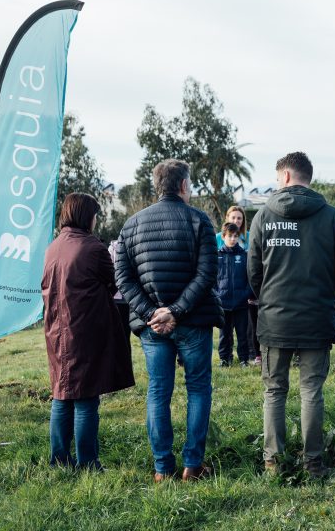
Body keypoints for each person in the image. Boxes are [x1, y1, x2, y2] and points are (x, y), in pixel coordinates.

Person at [115, 159, 222, 482]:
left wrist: (151, 313)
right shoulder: (200, 221)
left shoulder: (131, 225)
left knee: (159, 392)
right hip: (192, 320)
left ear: (157, 185)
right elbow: (207, 275)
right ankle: (193, 464)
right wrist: (175, 311)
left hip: (152, 327)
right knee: (198, 389)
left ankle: (162, 468)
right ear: (184, 185)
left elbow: (123, 277)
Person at [248, 152, 335, 479]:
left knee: (274, 391)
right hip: (316, 318)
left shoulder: (263, 216)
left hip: (274, 319)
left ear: (287, 177)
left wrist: (269, 299)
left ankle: (273, 464)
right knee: (311, 392)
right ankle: (313, 463)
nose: (278, 184)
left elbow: (253, 271)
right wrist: (323, 300)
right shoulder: (332, 217)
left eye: (278, 179)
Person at [43, 193, 135, 470]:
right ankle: (88, 462)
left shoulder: (53, 247)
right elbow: (115, 280)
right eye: (95, 214)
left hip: (56, 331)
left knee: (61, 395)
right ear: (87, 216)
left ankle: (59, 459)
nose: (97, 220)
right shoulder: (92, 248)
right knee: (85, 398)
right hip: (83, 331)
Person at [215, 222, 253, 367]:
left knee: (242, 334)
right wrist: (217, 295)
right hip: (223, 304)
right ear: (223, 236)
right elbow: (212, 279)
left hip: (241, 303)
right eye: (230, 236)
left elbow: (250, 278)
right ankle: (225, 359)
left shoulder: (244, 256)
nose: (232, 239)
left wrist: (246, 294)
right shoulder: (217, 256)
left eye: (235, 236)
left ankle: (244, 359)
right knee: (224, 335)